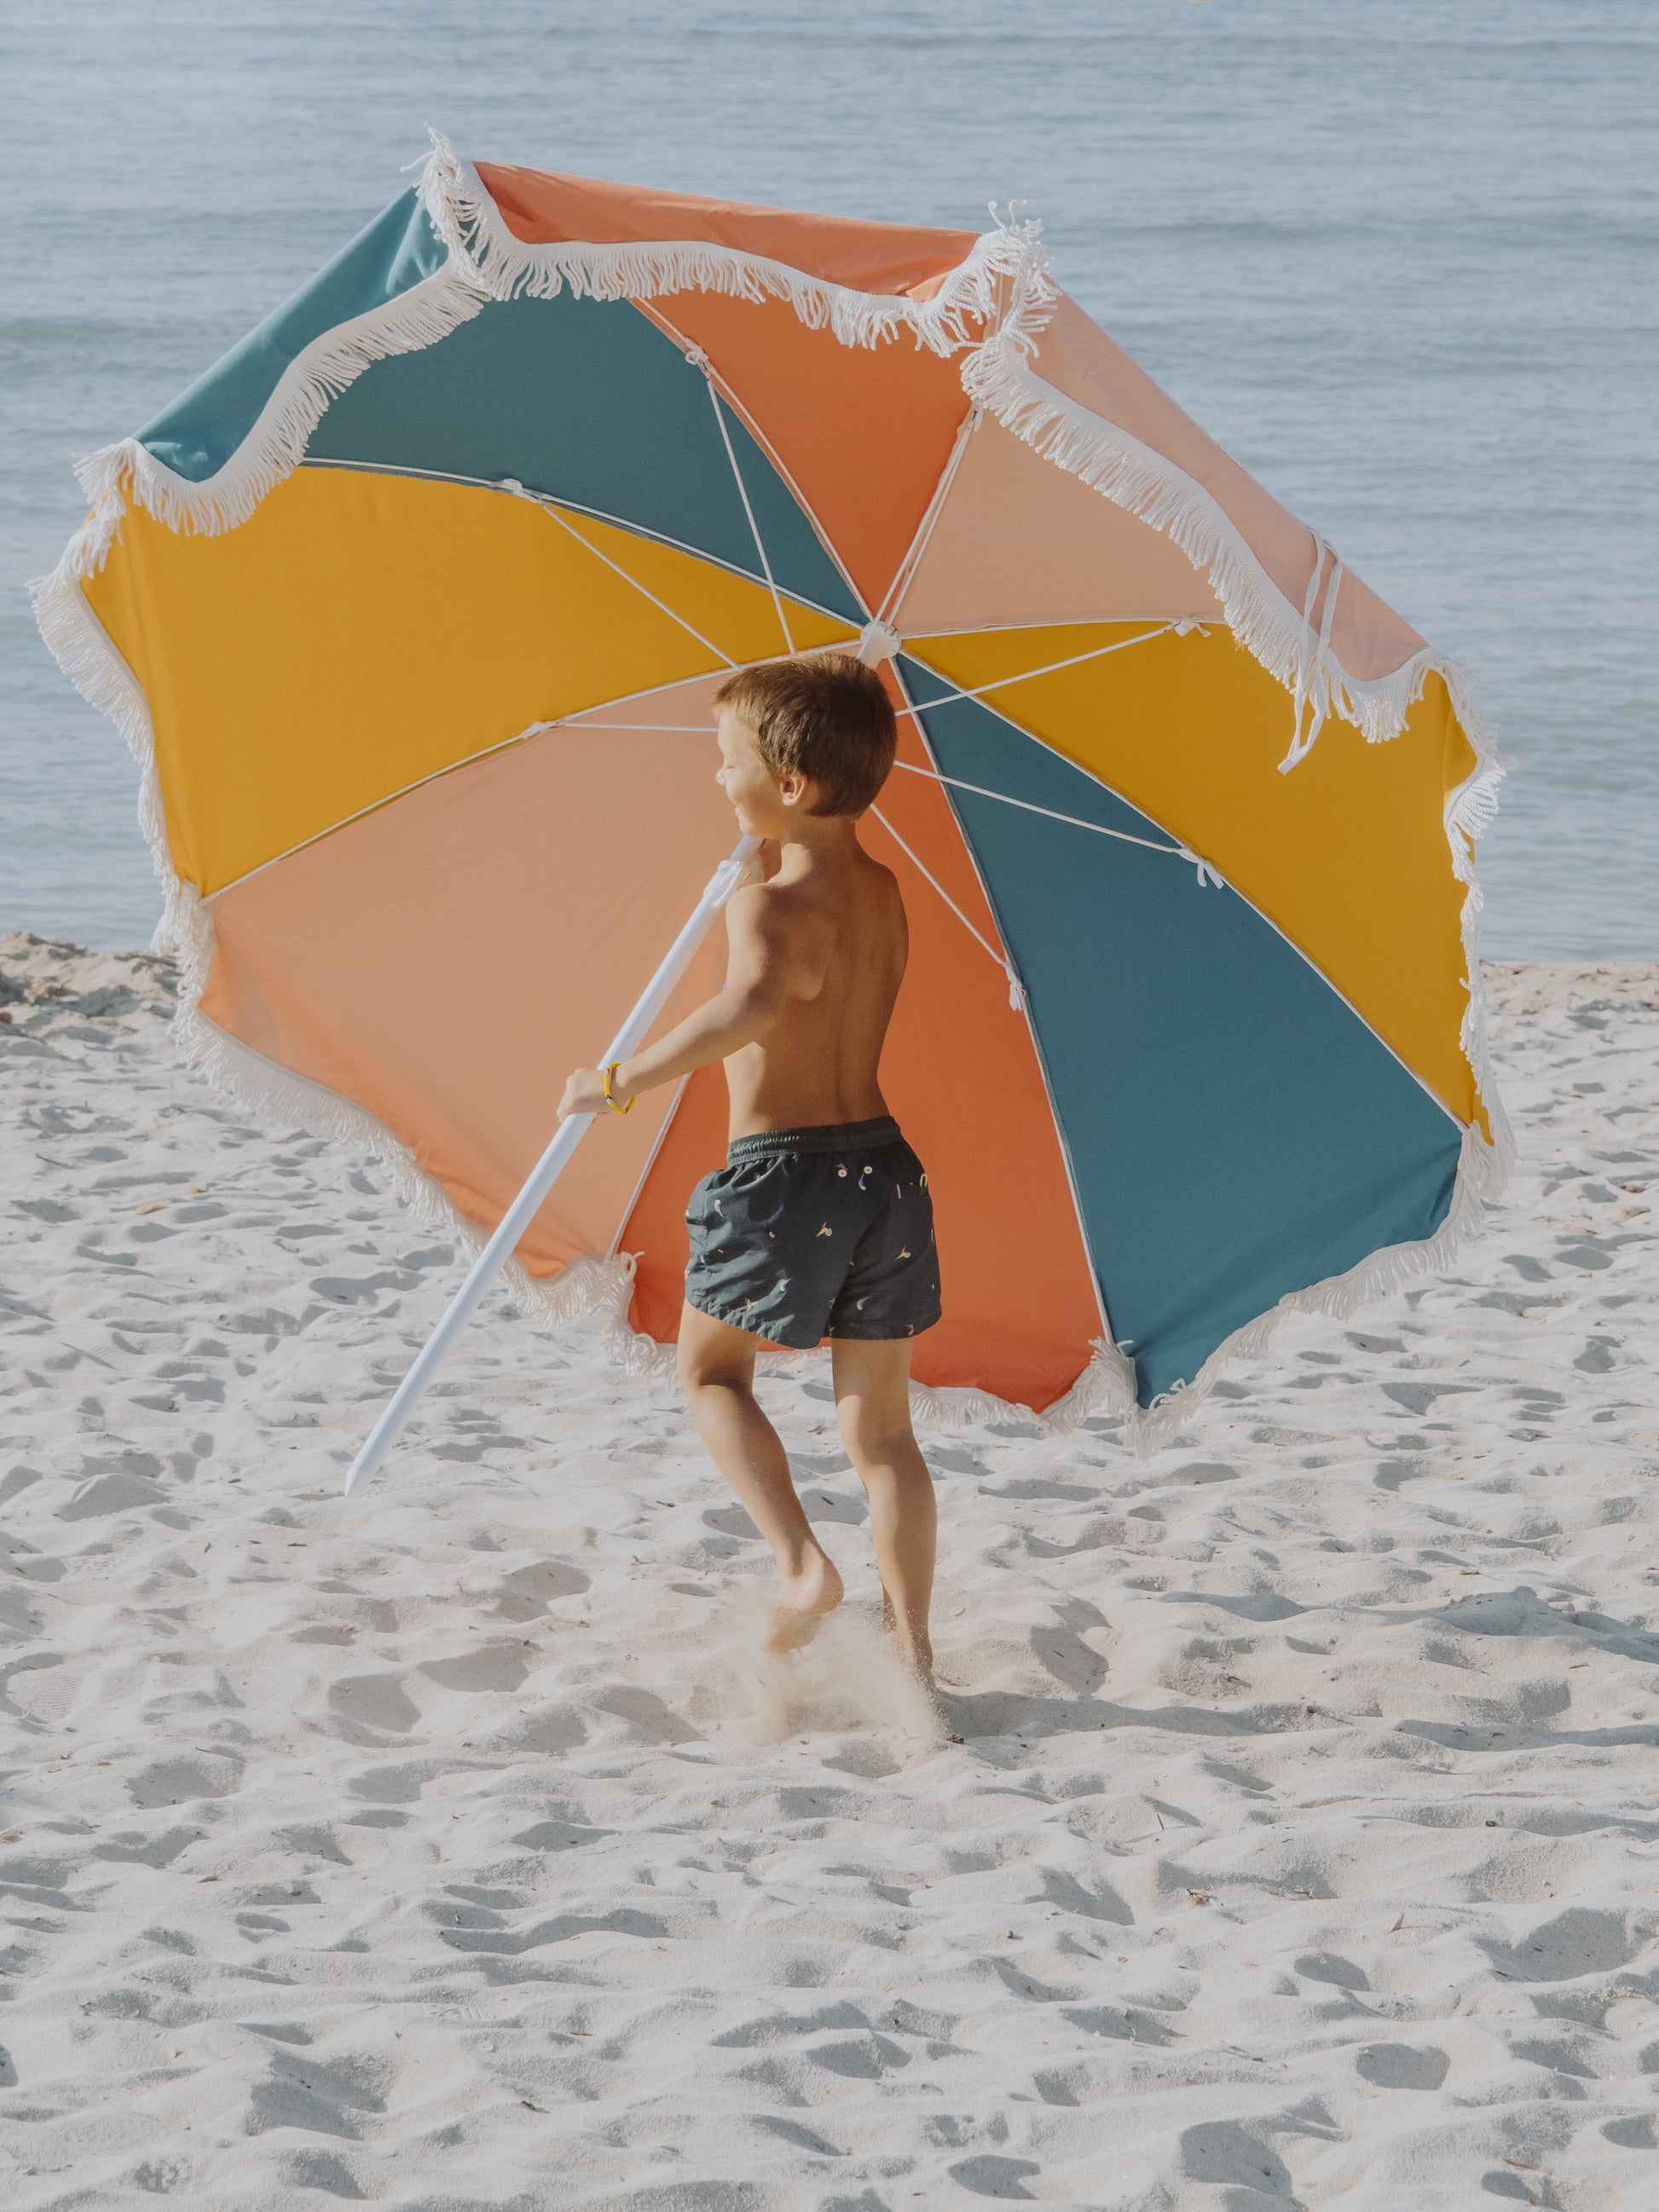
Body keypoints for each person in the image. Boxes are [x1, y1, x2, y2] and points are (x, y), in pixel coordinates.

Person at [558, 654, 940, 1678]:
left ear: (789, 786)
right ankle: (913, 1651)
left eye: (726, 761)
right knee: (884, 1438)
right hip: (886, 1176)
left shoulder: (766, 909)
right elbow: (819, 980)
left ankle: (799, 1563)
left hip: (785, 1174)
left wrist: (618, 1079)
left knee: (710, 1370)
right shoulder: (885, 892)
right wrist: (757, 883)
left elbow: (753, 1009)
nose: (716, 779)